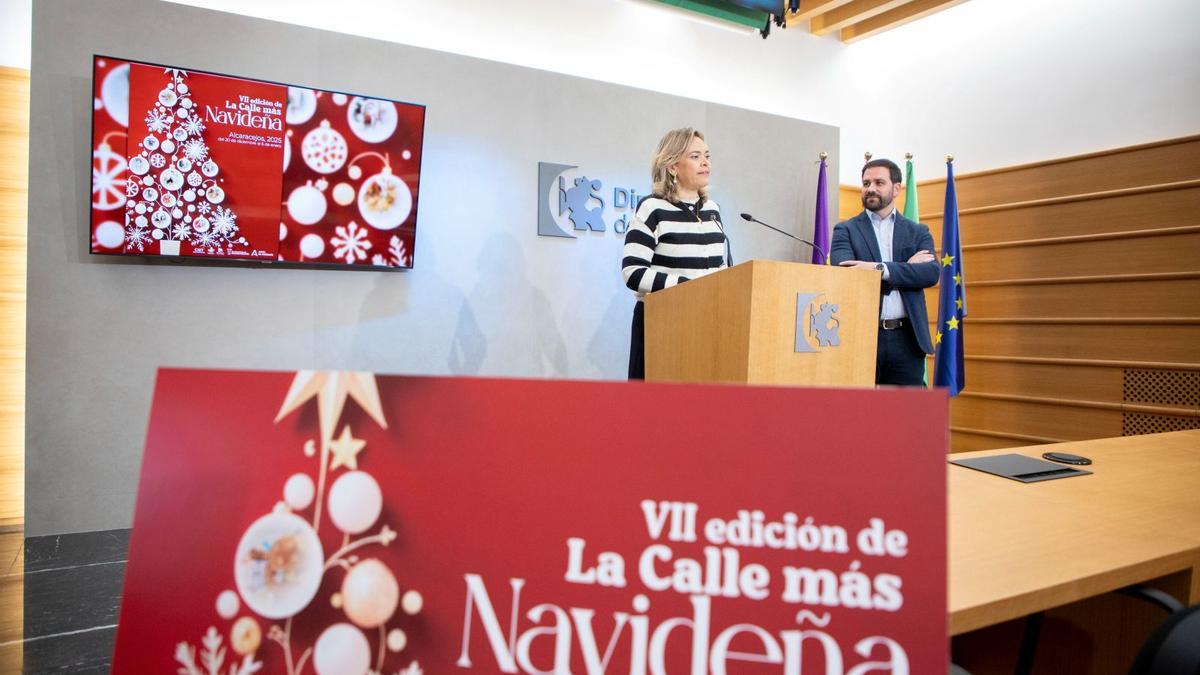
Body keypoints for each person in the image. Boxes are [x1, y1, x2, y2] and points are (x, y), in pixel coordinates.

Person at [621, 128, 730, 380]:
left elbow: (718, 270)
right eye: (695, 156)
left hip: (708, 324)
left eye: (707, 155)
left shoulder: (713, 210)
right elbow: (633, 272)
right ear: (672, 166)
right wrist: (687, 287)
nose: (705, 162)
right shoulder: (652, 208)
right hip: (662, 324)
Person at [831, 158, 939, 386]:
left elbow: (930, 273)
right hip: (862, 337)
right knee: (861, 414)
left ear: (896, 188)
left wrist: (879, 269)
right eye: (866, 183)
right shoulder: (846, 230)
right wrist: (906, 268)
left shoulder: (917, 231)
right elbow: (846, 275)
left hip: (907, 339)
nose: (871, 188)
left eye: (879, 182)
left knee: (906, 416)